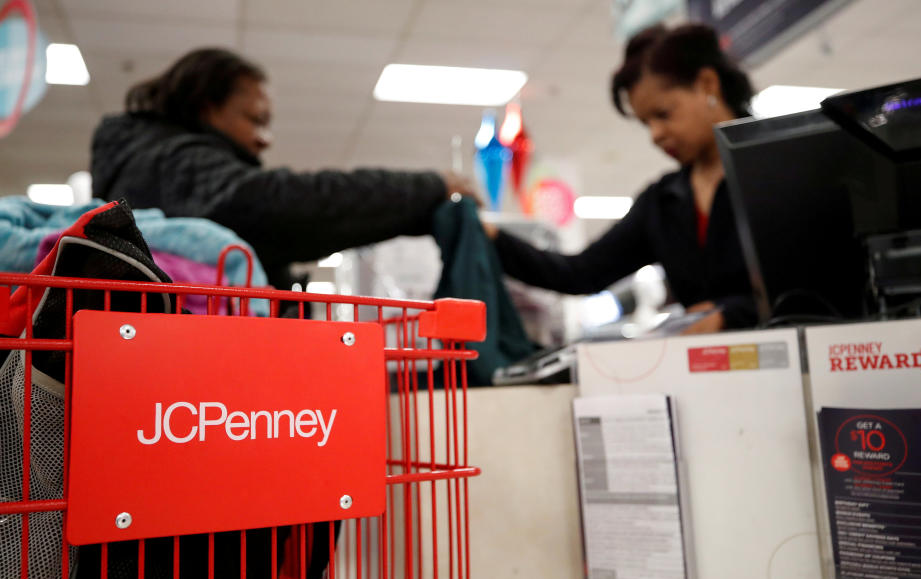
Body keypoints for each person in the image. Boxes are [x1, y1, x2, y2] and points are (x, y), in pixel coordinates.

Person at [90, 47, 476, 291]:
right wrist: (431, 187)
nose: (265, 139)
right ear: (206, 107)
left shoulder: (143, 162)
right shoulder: (172, 164)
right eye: (255, 119)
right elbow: (286, 205)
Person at [486, 23, 756, 333]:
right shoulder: (663, 203)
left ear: (707, 84)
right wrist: (492, 237)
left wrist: (734, 315)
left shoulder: (782, 167)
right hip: (710, 370)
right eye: (645, 123)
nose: (655, 135)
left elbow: (817, 281)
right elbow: (580, 273)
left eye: (664, 114)